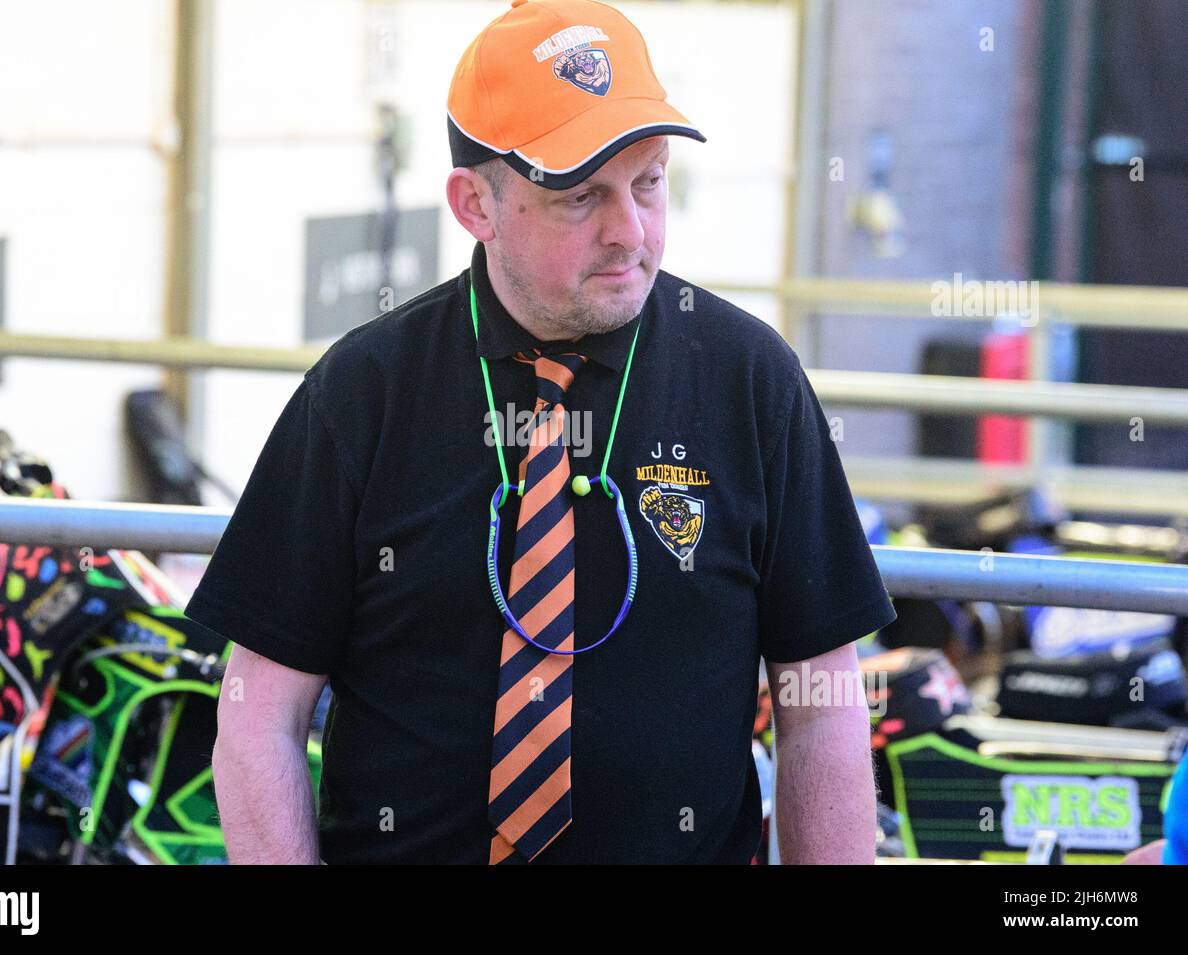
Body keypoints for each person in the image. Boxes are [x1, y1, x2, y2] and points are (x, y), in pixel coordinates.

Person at [187, 0, 896, 865]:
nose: (629, 231)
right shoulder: (362, 394)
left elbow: (820, 700)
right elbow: (258, 710)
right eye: (580, 196)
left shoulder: (750, 381)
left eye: (648, 181)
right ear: (475, 203)